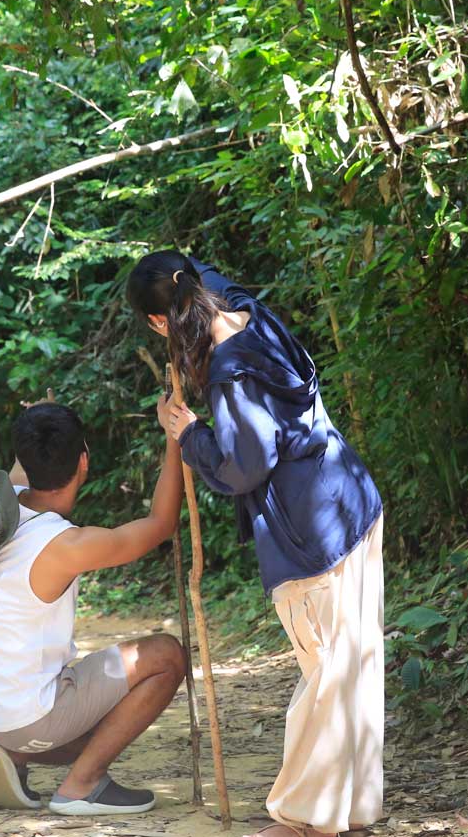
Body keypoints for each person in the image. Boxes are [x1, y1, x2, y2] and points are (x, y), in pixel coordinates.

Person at [127, 251, 384, 837]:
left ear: (158, 322)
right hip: (351, 496)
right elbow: (209, 278)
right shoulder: (249, 312)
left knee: (325, 672)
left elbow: (246, 465)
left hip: (312, 530)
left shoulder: (231, 372)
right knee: (352, 667)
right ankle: (348, 810)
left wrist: (190, 434)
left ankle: (303, 820)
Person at [0, 399, 187, 815]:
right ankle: (82, 785)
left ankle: (14, 756)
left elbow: (25, 460)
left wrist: (40, 417)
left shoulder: (1, 506)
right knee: (167, 655)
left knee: (83, 702)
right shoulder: (66, 545)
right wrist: (175, 439)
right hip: (32, 721)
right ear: (83, 462)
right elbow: (161, 525)